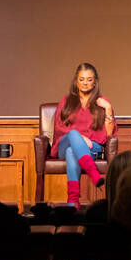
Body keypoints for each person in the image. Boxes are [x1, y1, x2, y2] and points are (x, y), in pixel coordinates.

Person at [51, 62, 116, 208]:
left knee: (71, 152)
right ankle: (93, 173)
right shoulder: (66, 101)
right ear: (76, 81)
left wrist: (108, 109)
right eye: (81, 79)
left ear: (95, 82)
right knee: (73, 136)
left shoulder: (102, 102)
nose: (85, 83)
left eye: (89, 79)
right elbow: (59, 128)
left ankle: (73, 201)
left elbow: (109, 134)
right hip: (65, 142)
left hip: (92, 147)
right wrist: (79, 138)